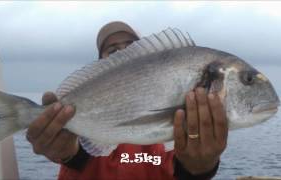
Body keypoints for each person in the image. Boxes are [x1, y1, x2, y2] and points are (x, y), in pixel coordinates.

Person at [26, 21, 228, 180]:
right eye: (113, 51)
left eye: (132, 46)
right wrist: (69, 153)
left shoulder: (177, 103)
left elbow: (182, 167)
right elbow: (80, 154)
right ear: (102, 66)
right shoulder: (82, 114)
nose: (124, 53)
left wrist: (201, 166)